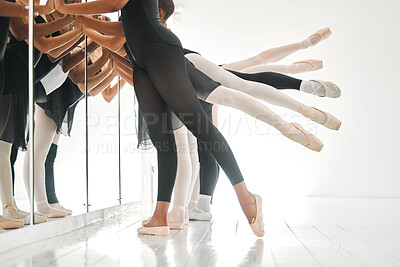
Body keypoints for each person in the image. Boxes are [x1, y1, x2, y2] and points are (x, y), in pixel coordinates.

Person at [55, 0, 265, 237]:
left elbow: (114, 5)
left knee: (199, 125)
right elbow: (123, 29)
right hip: (141, 57)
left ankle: (246, 196)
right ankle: (160, 216)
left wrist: (67, 9)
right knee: (162, 140)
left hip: (159, 49)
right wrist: (79, 19)